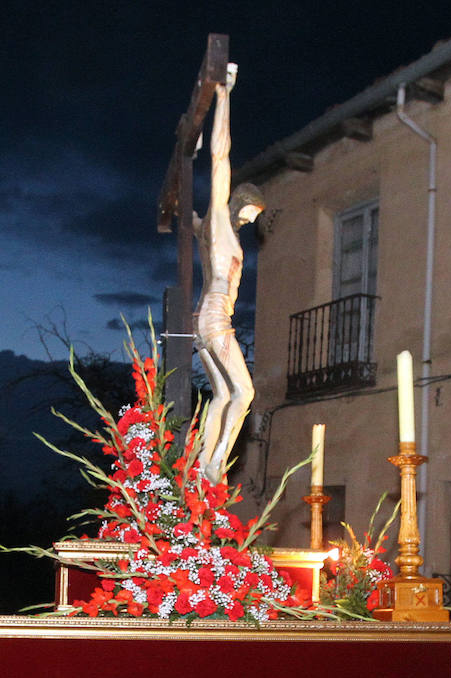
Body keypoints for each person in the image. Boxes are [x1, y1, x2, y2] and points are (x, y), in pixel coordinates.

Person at [192, 61, 264, 484]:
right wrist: (224, 95)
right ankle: (217, 461)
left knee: (222, 393)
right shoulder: (219, 224)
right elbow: (221, 157)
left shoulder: (213, 233)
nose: (253, 220)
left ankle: (201, 467)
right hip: (215, 319)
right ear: (241, 203)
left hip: (203, 320)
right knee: (246, 391)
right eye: (253, 211)